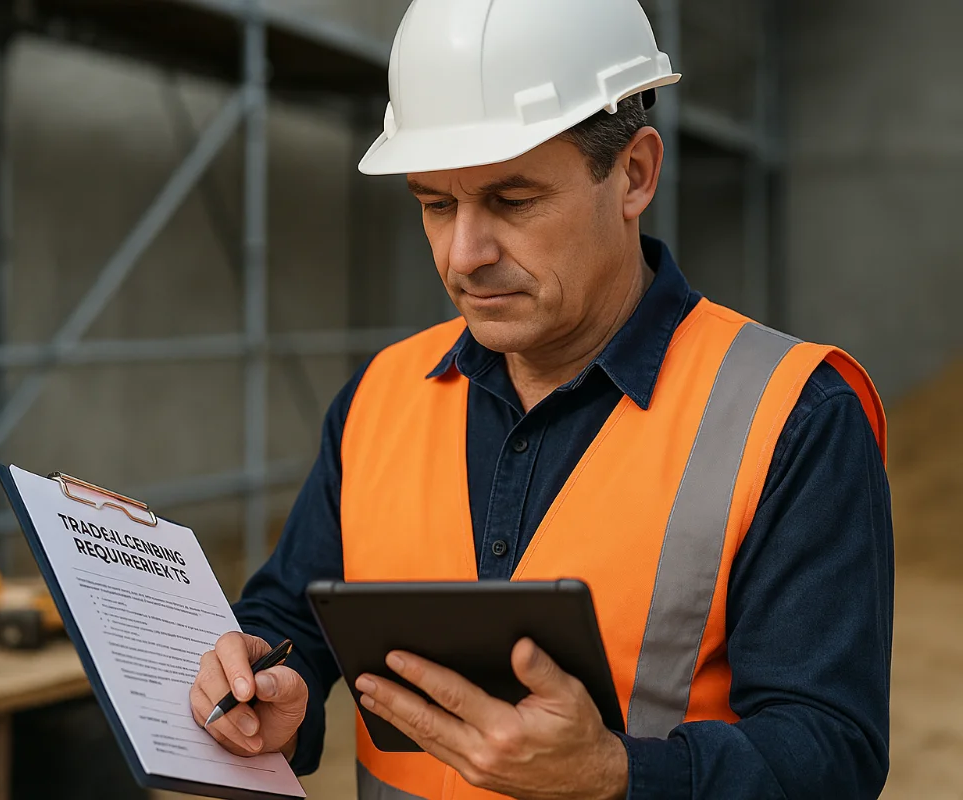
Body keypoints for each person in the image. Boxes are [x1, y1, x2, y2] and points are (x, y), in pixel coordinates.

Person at [188, 1, 894, 798]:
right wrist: (270, 676)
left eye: (513, 202)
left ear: (634, 174)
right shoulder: (379, 396)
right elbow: (294, 611)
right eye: (435, 204)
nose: (465, 255)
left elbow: (829, 754)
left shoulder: (792, 415)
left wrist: (615, 776)